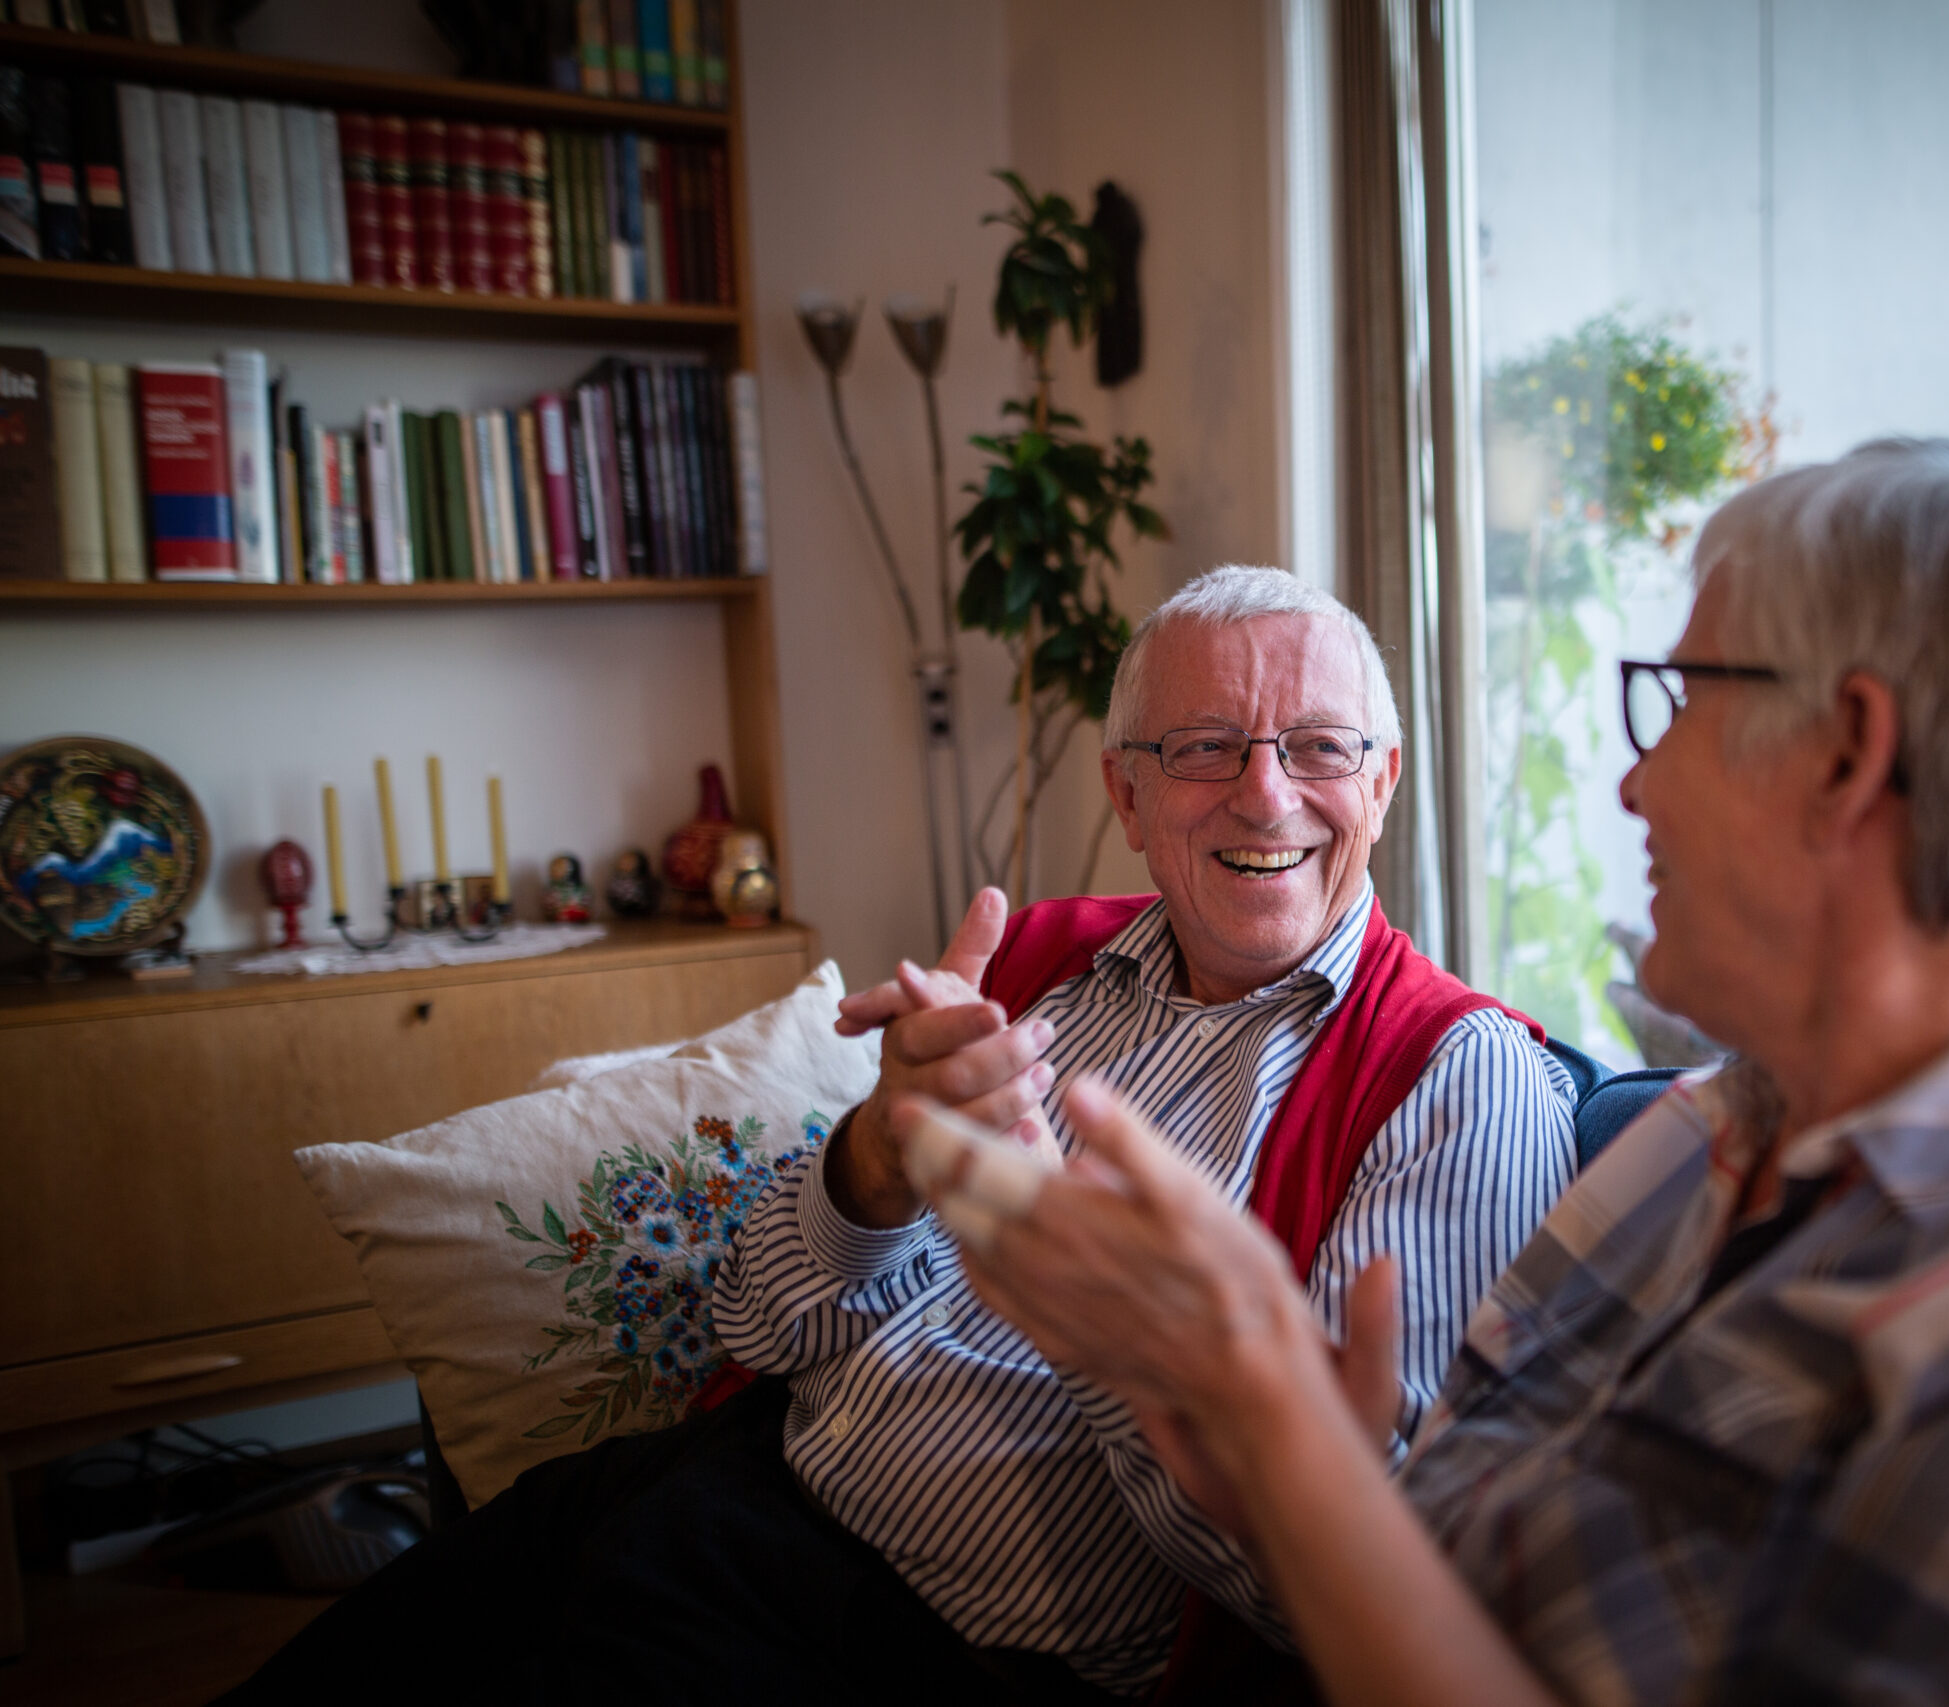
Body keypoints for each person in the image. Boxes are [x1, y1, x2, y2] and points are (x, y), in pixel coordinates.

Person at [935, 441, 1949, 1706]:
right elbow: (1419, 1572)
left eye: (1678, 703)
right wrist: (1240, 1429)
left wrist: (1270, 1417)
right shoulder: (1695, 1145)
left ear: (1848, 757)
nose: (1632, 775)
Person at [225, 566, 1575, 1705]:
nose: (1265, 794)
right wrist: (874, 1155)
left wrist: (1087, 1293)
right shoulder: (1038, 963)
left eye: (1319, 747)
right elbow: (755, 1325)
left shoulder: (1465, 1086)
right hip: (705, 1485)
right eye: (1205, 747)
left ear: (1382, 781)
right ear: (1129, 794)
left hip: (910, 1649)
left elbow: (1332, 1587)